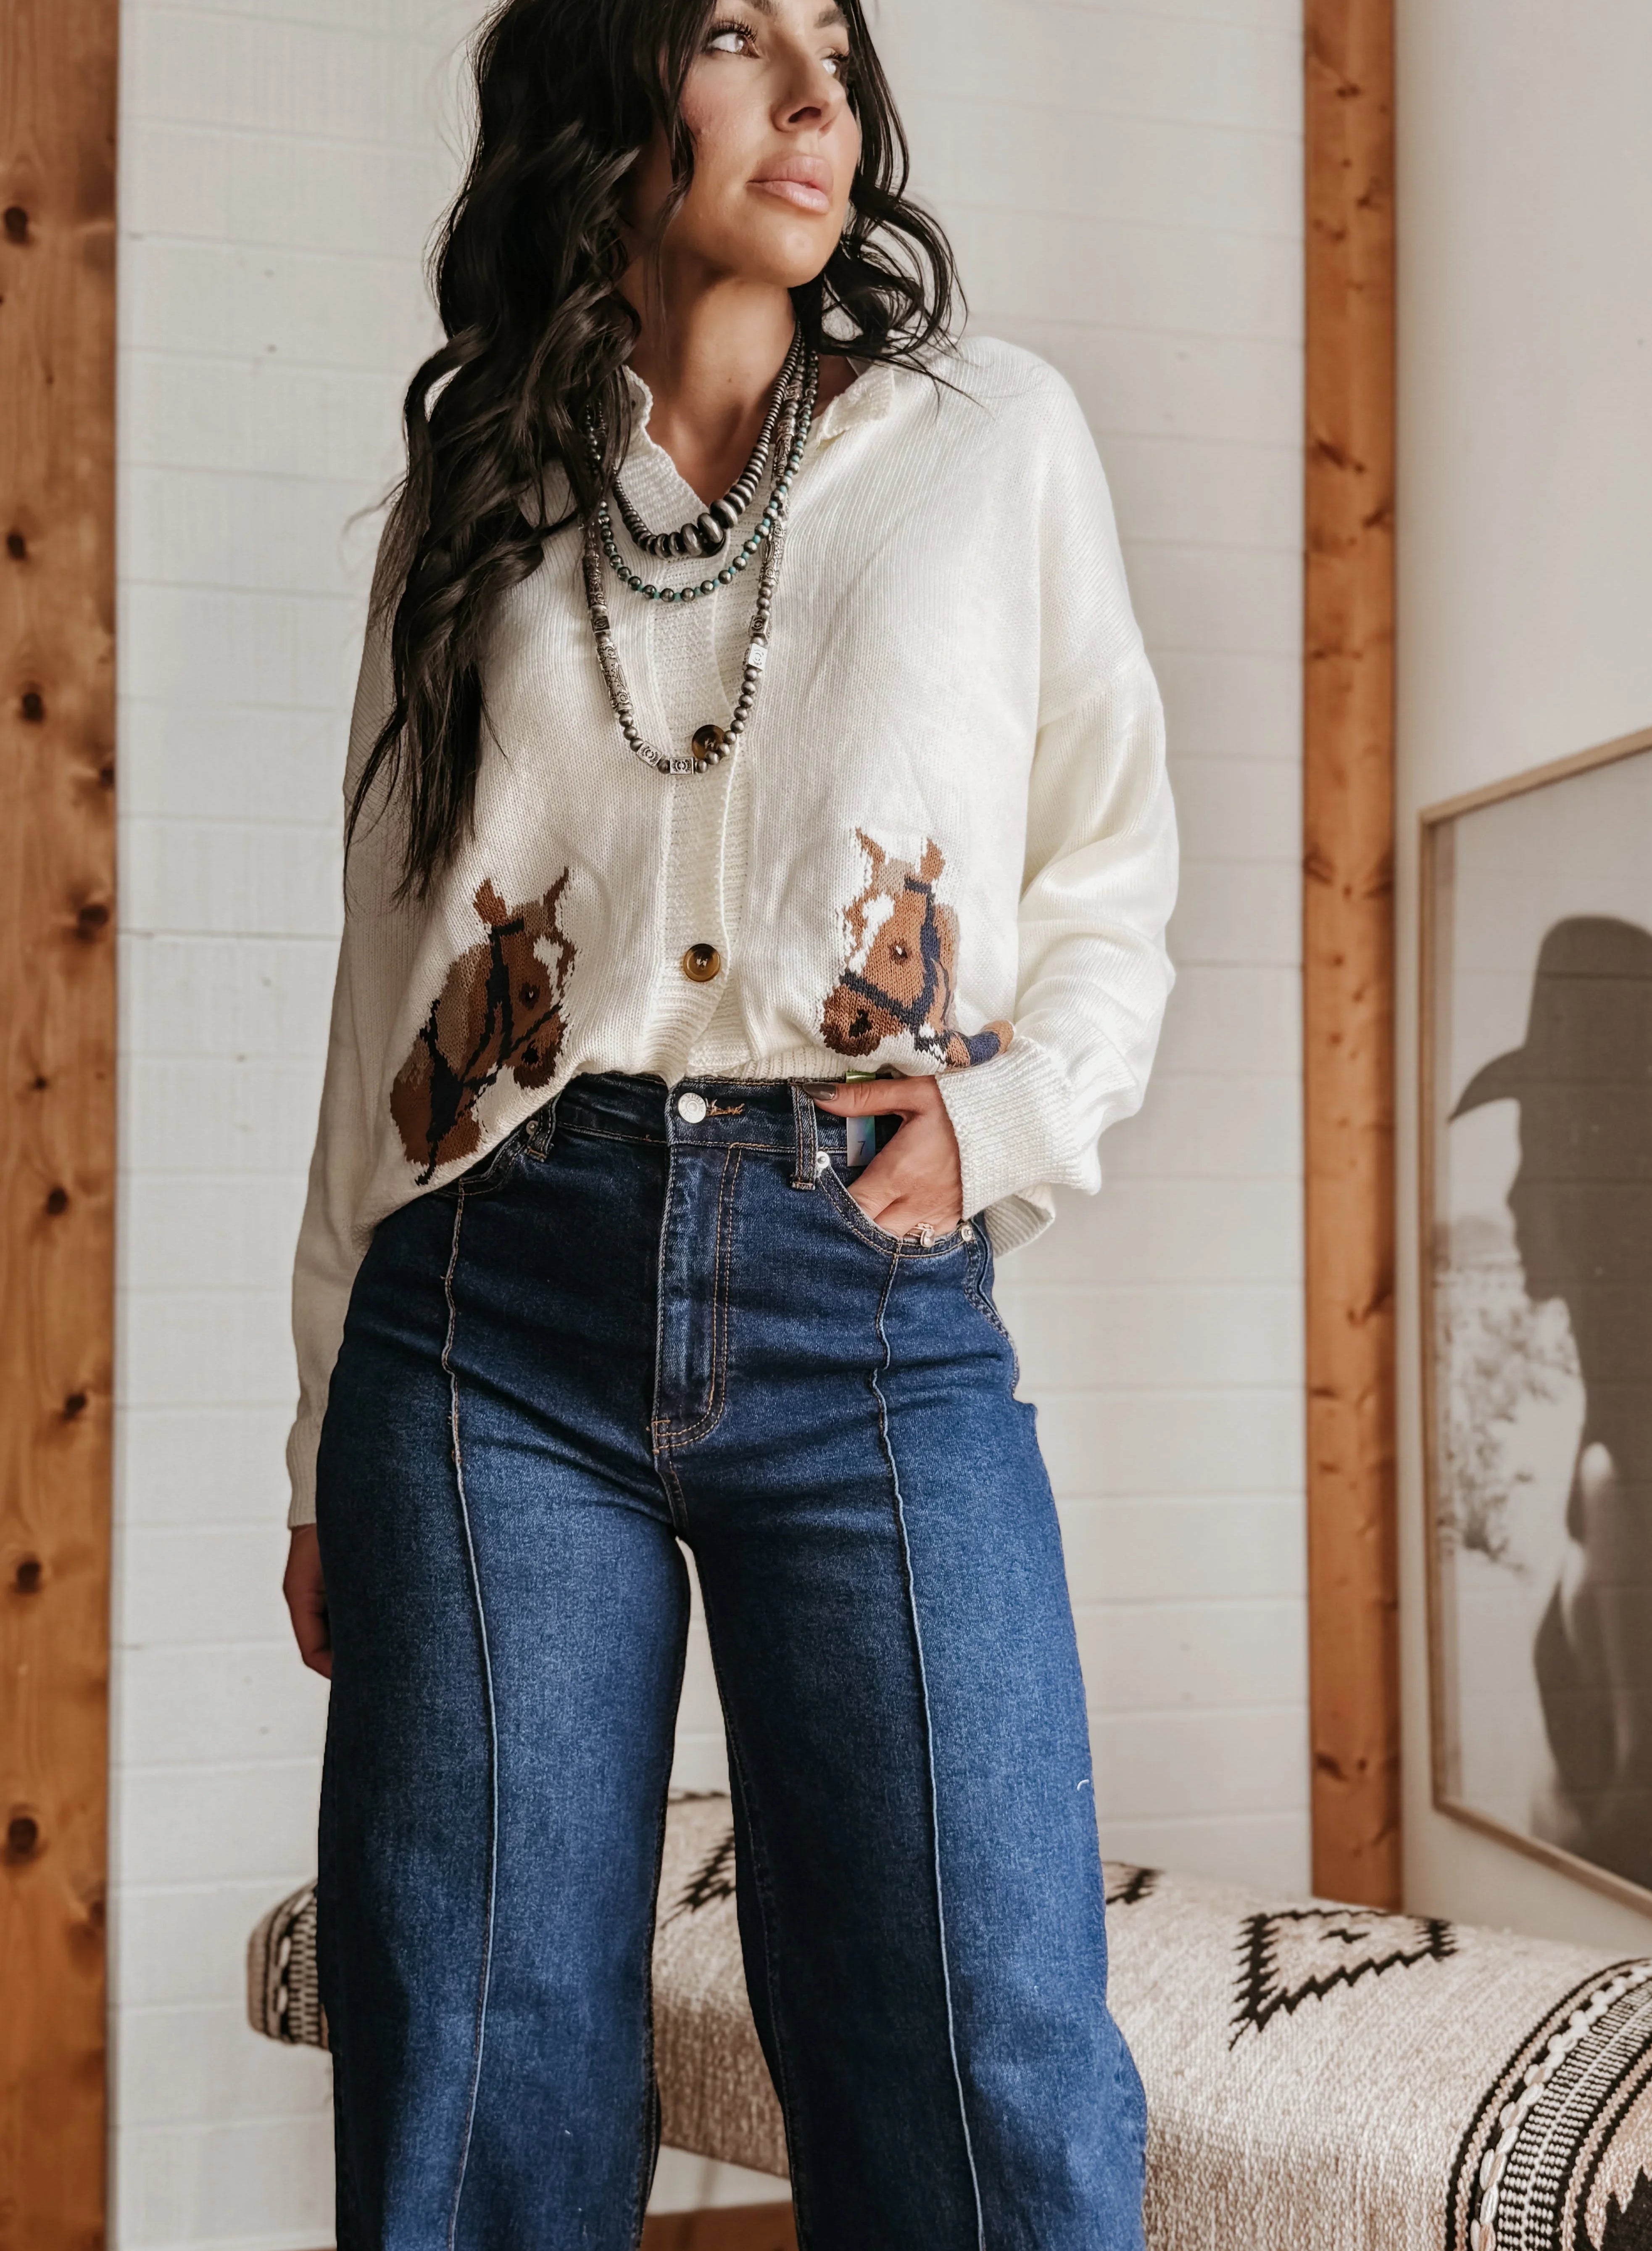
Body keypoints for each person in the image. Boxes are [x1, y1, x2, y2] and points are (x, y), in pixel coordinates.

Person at [276, 1, 1178, 2244]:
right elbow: (384, 985)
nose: (814, 99)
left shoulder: (990, 442)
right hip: (485, 1312)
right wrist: (320, 1437)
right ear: (609, 91)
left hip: (856, 1281)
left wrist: (1016, 1111)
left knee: (978, 2047)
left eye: (835, 51)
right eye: (733, 36)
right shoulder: (475, 497)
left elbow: (1111, 859)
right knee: (465, 2052)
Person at [1452, 916, 1652, 1934]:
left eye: (1537, 1148)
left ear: (1592, 1185)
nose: (1510, 1187)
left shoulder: (1626, 1469)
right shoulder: (1633, 1433)